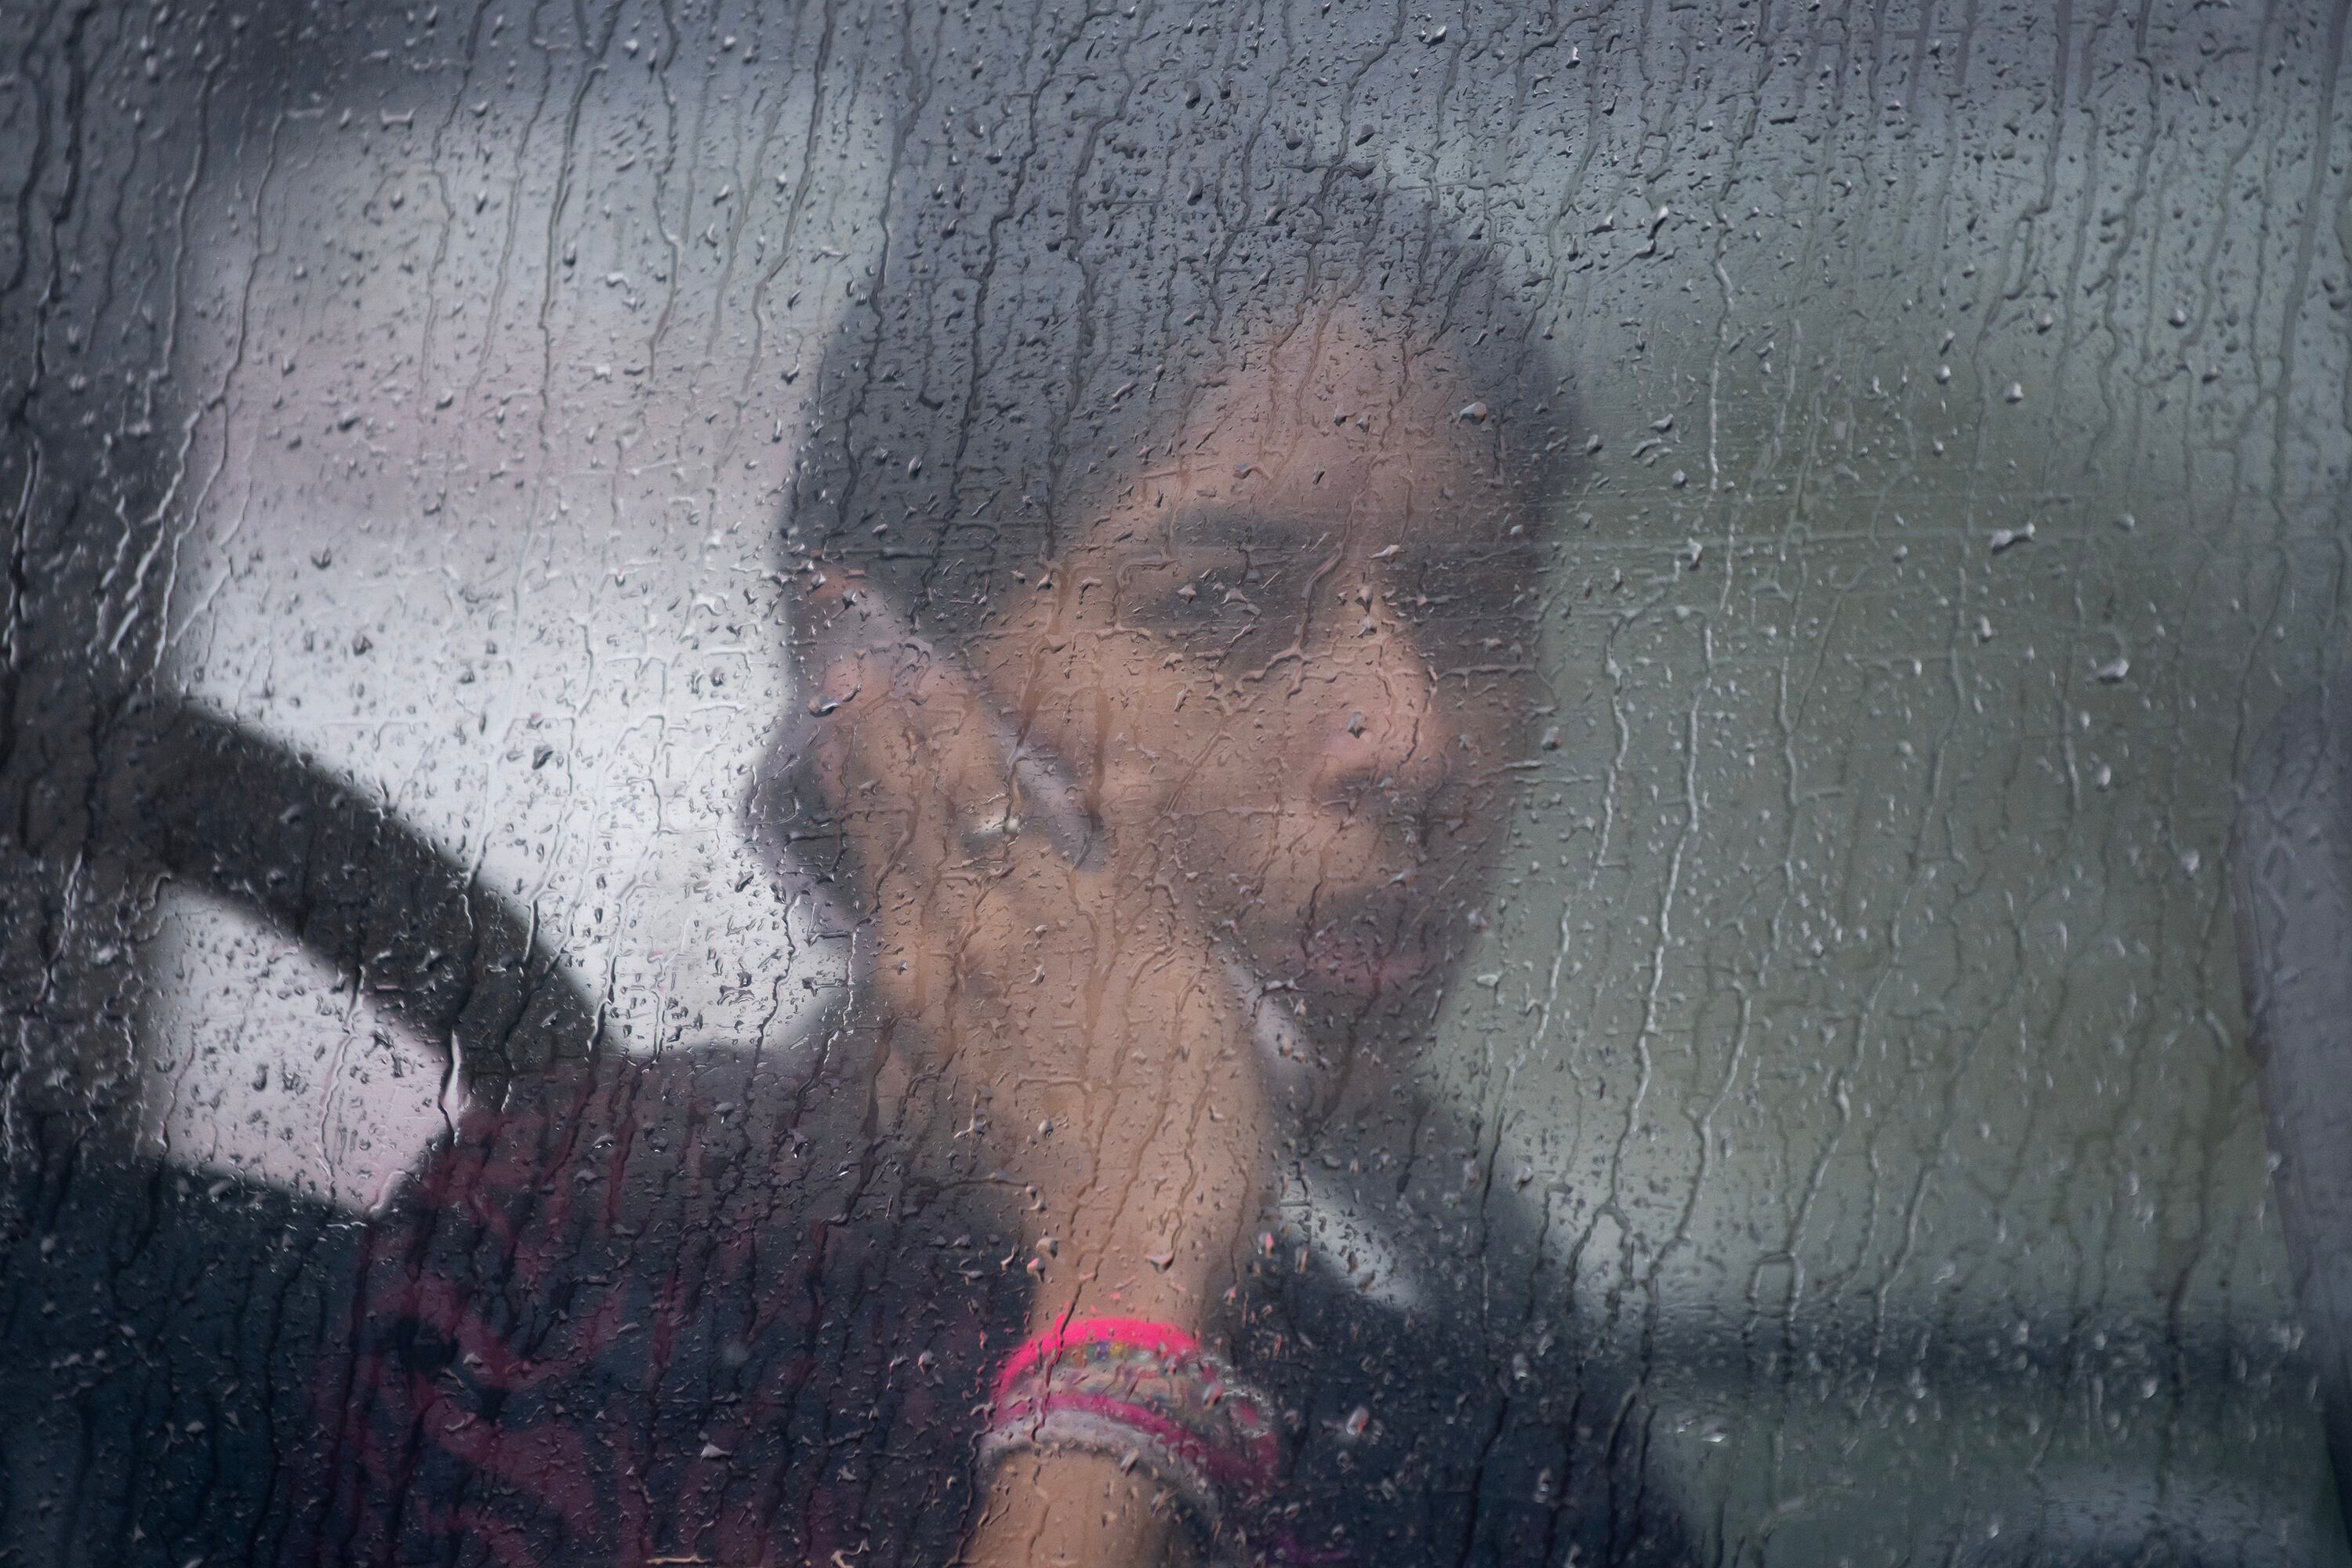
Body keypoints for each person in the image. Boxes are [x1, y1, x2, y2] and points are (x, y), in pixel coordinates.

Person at [289, 172, 1602, 1568]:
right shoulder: (552, 1267)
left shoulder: (1488, 1432)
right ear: (880, 674)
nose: (1414, 738)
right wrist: (1127, 1297)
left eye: (1467, 606)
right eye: (1220, 605)